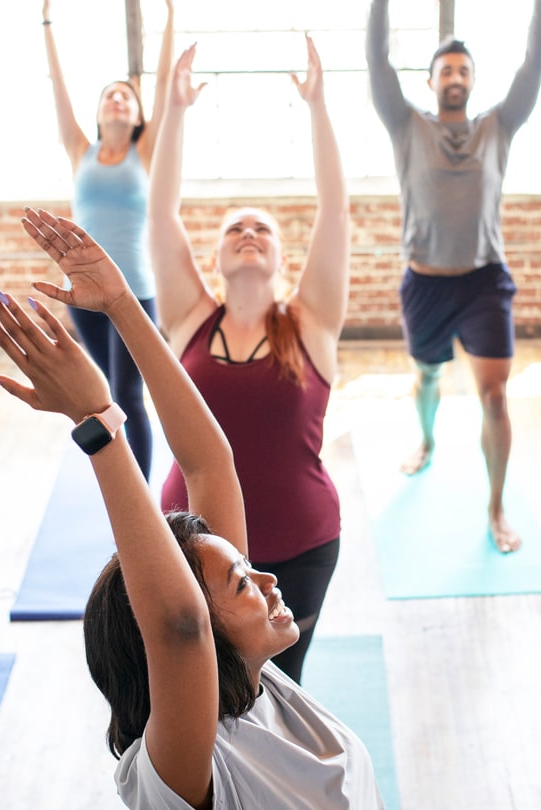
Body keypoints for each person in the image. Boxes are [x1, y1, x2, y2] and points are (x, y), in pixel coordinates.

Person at [0, 209, 383, 809]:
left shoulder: (256, 680)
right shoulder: (179, 768)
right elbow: (178, 625)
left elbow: (210, 466)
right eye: (241, 582)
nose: (264, 575)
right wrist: (98, 424)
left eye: (244, 573)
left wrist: (121, 305)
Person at [148, 38, 348, 684]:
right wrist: (173, 113)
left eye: (262, 229)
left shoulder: (310, 324)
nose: (248, 234)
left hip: (300, 546)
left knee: (280, 688)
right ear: (215, 259)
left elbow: (335, 210)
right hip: (192, 546)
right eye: (235, 228)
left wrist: (318, 108)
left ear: (282, 260)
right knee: (197, 688)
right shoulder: (188, 320)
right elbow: (160, 210)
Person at [366, 0, 541, 554]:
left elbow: (534, 63)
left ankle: (495, 508)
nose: (455, 77)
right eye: (445, 69)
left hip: (484, 283)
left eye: (463, 70)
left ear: (473, 81)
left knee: (494, 397)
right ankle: (426, 439)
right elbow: (377, 61)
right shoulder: (406, 124)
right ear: (430, 81)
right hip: (425, 282)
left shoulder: (499, 125)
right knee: (427, 377)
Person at [41, 0, 175, 477]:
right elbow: (58, 88)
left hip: (134, 292)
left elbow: (164, 87)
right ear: (98, 114)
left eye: (126, 96)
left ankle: (149, 515)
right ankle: (127, 492)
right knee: (107, 398)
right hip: (82, 295)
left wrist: (171, 17)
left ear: (137, 113)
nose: (117, 100)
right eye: (109, 96)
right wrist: (47, 23)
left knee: (131, 395)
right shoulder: (82, 150)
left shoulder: (145, 149)